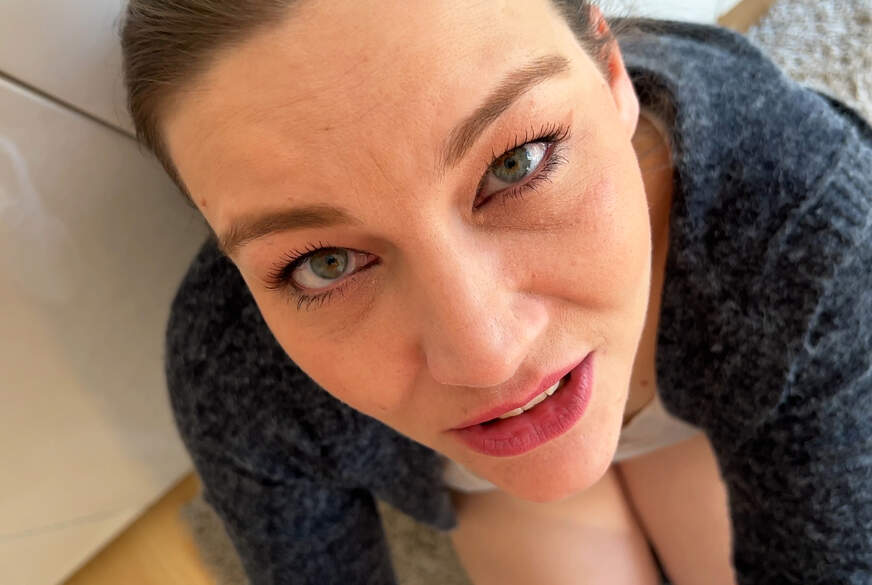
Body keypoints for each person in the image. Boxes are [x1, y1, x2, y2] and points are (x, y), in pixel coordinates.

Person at [120, 1, 872, 584]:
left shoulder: (803, 217)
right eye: (326, 262)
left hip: (705, 408)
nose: (489, 356)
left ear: (612, 73)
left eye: (518, 162)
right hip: (485, 476)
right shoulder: (236, 366)